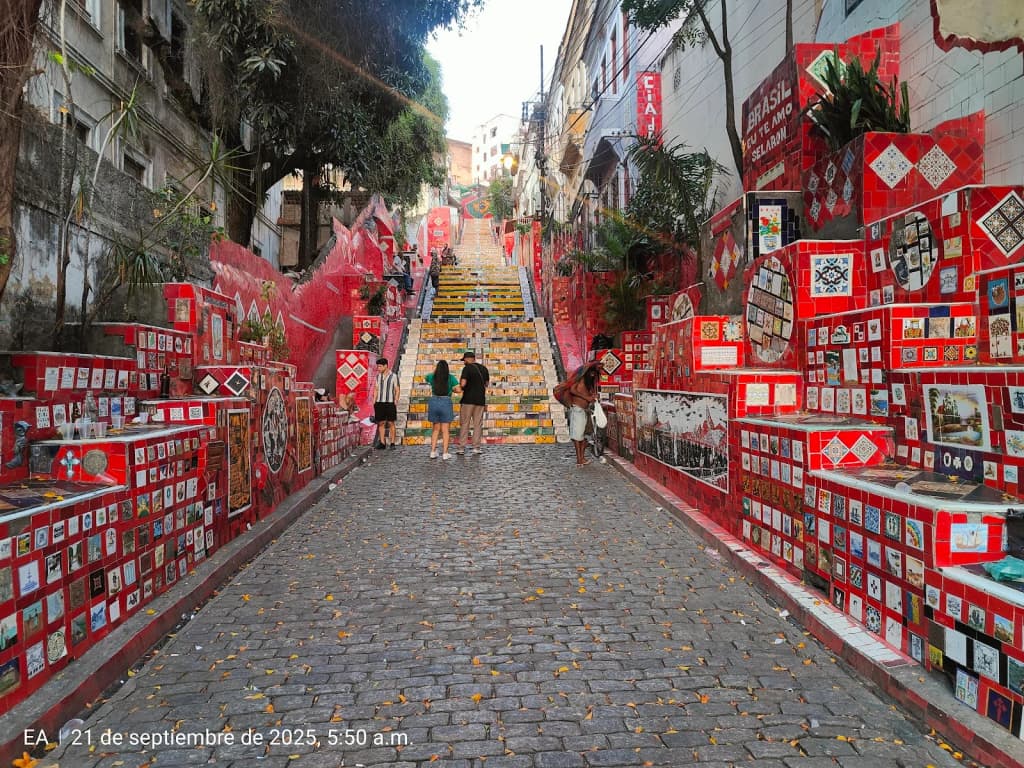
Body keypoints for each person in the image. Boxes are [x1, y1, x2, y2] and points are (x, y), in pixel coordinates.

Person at [567, 362, 601, 467]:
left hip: (583, 411)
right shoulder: (581, 379)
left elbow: (587, 394)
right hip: (578, 410)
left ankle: (581, 458)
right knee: (578, 436)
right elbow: (572, 390)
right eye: (592, 373)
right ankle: (579, 460)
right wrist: (586, 398)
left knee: (582, 436)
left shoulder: (588, 383)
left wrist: (592, 396)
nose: (593, 375)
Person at [425, 360, 460, 460]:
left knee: (435, 429)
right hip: (446, 401)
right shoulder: (451, 377)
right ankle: (445, 453)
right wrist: (452, 389)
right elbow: (458, 389)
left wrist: (435, 371)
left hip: (434, 401)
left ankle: (432, 451)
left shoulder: (432, 377)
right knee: (445, 430)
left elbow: (426, 377)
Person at [456, 350, 489, 455]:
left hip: (468, 400)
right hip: (480, 400)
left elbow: (463, 383)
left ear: (467, 359)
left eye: (464, 360)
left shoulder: (467, 368)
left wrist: (460, 387)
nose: (463, 362)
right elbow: (486, 384)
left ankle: (461, 448)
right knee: (478, 424)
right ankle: (476, 447)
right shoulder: (484, 369)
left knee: (465, 423)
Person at [373, 357, 400, 449]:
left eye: (380, 366)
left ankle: (392, 443)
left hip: (390, 402)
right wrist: (374, 400)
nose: (378, 368)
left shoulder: (394, 376)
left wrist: (396, 400)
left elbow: (397, 389)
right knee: (381, 423)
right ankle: (382, 443)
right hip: (379, 402)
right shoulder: (378, 376)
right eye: (378, 366)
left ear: (385, 366)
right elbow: (376, 389)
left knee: (391, 422)